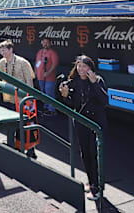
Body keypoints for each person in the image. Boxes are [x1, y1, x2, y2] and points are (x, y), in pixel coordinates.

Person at [59, 55, 108, 201]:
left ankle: (97, 186)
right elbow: (71, 105)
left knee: (94, 153)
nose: (81, 69)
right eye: (79, 66)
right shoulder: (73, 82)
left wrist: (94, 83)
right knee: (85, 153)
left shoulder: (98, 80)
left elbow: (105, 101)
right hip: (81, 121)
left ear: (90, 68)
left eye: (84, 66)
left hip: (96, 122)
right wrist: (65, 95)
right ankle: (91, 181)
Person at [35, 38, 59, 116]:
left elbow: (54, 64)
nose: (45, 44)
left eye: (47, 43)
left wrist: (48, 73)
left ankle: (52, 110)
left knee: (49, 93)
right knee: (43, 92)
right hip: (40, 77)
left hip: (49, 78)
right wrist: (36, 72)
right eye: (44, 42)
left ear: (50, 43)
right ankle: (45, 108)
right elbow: (37, 63)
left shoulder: (53, 53)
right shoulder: (39, 52)